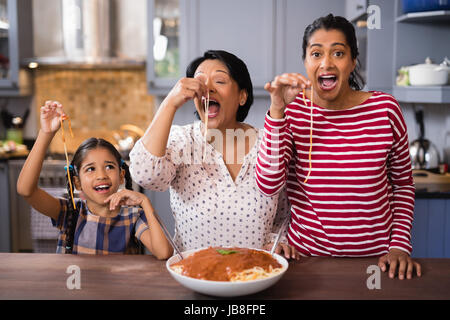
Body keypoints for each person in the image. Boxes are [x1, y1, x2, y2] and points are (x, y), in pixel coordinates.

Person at [255, 14, 421, 279]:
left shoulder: (385, 110)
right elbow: (268, 184)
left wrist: (399, 247)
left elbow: (402, 185)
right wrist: (277, 109)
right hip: (307, 261)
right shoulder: (293, 111)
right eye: (316, 53)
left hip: (377, 264)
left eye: (338, 53)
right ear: (306, 62)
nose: (326, 63)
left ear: (353, 61)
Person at [129, 50, 298, 259]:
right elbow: (145, 175)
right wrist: (170, 102)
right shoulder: (182, 140)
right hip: (193, 274)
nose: (207, 88)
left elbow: (284, 212)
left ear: (242, 96)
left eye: (220, 81)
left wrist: (279, 241)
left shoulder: (270, 141)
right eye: (199, 82)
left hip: (256, 273)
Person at [17, 101, 173, 258]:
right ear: (77, 182)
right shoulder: (69, 212)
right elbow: (25, 190)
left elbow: (164, 253)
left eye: (109, 167)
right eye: (90, 169)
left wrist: (145, 202)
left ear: (121, 176)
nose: (101, 176)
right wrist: (46, 133)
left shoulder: (133, 216)